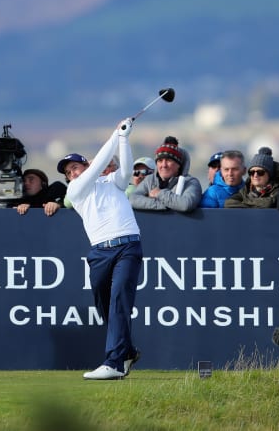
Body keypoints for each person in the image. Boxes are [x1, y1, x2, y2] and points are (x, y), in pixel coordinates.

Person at [60, 118, 143, 380]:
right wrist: (115, 135)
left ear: (85, 166)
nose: (72, 173)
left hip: (128, 246)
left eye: (75, 167)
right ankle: (127, 350)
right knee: (104, 303)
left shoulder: (112, 182)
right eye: (68, 172)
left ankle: (114, 362)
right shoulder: (76, 191)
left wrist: (124, 140)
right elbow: (97, 165)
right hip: (99, 253)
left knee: (119, 300)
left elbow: (127, 170)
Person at [128, 139, 201, 213]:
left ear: (178, 165)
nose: (164, 165)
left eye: (169, 160)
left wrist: (159, 193)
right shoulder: (150, 180)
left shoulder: (191, 182)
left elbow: (186, 204)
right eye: (160, 161)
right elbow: (133, 199)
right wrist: (165, 205)